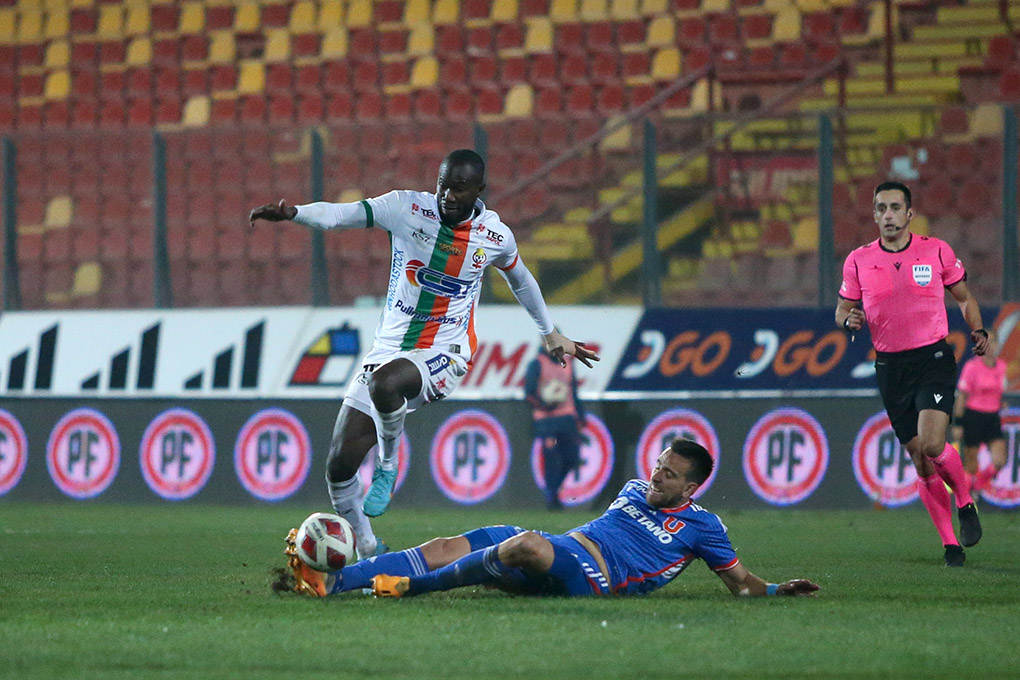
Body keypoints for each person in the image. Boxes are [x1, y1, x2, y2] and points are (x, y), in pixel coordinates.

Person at [250, 149, 599, 559]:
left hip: (447, 351)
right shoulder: (405, 208)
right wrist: (296, 214)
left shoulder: (494, 236)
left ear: (479, 191)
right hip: (389, 347)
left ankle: (387, 464)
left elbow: (520, 279)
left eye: (459, 188)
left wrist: (549, 332)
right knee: (339, 465)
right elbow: (342, 215)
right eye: (443, 185)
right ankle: (368, 547)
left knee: (386, 384)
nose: (448, 195)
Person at [277, 439, 820, 600]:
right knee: (459, 540)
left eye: (670, 476)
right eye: (657, 466)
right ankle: (332, 580)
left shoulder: (705, 528)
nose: (656, 478)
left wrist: (774, 591)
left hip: (594, 577)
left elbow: (739, 584)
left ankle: (403, 589)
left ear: (692, 487)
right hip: (569, 545)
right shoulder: (634, 489)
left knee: (527, 547)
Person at [835, 180, 989, 567]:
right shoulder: (858, 260)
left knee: (934, 444)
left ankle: (965, 499)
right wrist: (849, 319)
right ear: (874, 215)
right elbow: (842, 310)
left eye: (894, 208)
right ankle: (950, 544)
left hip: (933, 359)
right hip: (890, 367)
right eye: (881, 209)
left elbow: (965, 297)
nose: (887, 215)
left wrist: (979, 329)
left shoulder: (935, 251)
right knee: (920, 460)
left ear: (909, 213)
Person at [524, 341, 586, 510]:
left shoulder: (567, 363)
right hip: (546, 420)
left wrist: (580, 416)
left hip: (567, 416)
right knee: (551, 457)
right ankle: (552, 496)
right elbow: (529, 393)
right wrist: (544, 405)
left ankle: (554, 489)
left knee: (572, 457)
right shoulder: (536, 364)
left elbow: (573, 391)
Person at [952, 328, 1008, 494]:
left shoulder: (1002, 367)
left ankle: (978, 484)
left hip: (992, 418)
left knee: (999, 460)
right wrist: (958, 424)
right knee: (971, 464)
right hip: (973, 416)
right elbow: (962, 397)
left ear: (997, 344)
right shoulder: (971, 367)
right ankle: (966, 500)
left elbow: (1000, 392)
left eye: (992, 341)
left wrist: (1001, 403)